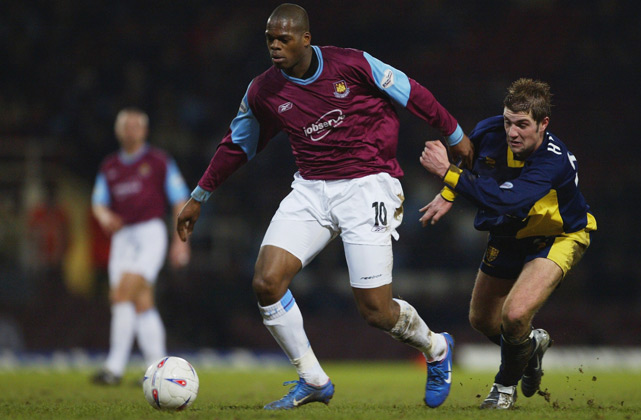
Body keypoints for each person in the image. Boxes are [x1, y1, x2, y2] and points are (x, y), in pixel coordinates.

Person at [176, 3, 474, 410]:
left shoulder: (351, 65)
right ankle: (313, 379)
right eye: (269, 40)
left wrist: (453, 132)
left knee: (375, 309)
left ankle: (436, 348)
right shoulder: (263, 90)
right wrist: (199, 195)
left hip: (369, 184)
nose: (275, 47)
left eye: (283, 39)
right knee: (266, 282)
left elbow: (410, 90)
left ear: (305, 39)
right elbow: (237, 145)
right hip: (311, 188)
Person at [419, 78, 597, 409]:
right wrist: (448, 193)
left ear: (544, 124)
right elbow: (471, 157)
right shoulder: (490, 132)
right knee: (483, 320)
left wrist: (447, 176)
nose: (512, 132)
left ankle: (503, 388)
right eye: (508, 122)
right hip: (511, 234)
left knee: (514, 315)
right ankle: (530, 347)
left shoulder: (552, 161)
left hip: (557, 235)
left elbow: (504, 201)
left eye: (522, 125)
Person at [91, 107, 191, 385]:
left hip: (150, 233)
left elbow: (179, 200)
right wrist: (104, 214)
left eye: (136, 125)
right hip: (122, 237)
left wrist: (180, 241)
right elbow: (98, 201)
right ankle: (157, 367)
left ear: (145, 131)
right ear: (118, 131)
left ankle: (114, 368)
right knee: (141, 301)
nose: (131, 130)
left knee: (121, 294)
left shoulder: (158, 161)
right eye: (127, 125)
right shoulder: (109, 166)